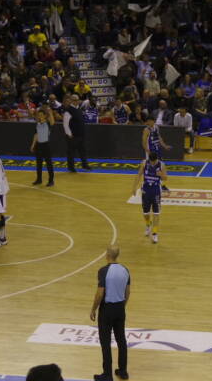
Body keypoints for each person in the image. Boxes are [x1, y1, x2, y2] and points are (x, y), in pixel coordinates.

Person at [90, 244, 130, 381]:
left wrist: (93, 309)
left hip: (107, 310)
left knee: (105, 342)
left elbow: (100, 293)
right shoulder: (125, 270)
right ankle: (123, 371)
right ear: (117, 255)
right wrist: (121, 306)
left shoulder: (103, 271)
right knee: (121, 340)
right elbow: (127, 292)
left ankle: (107, 374)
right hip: (120, 308)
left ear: (107, 255)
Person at [131, 151, 169, 244]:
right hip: (146, 191)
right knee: (146, 213)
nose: (152, 163)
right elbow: (139, 175)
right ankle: (148, 225)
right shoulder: (144, 163)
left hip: (156, 191)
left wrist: (161, 175)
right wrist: (134, 187)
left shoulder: (162, 165)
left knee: (156, 213)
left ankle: (155, 233)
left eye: (154, 162)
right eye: (151, 162)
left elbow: (165, 178)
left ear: (156, 159)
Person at [62, 95, 91, 173]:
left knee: (82, 150)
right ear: (71, 100)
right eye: (74, 100)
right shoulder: (68, 110)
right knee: (71, 152)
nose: (76, 101)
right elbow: (65, 124)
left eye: (77, 100)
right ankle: (71, 167)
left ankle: (84, 165)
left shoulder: (79, 109)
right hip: (73, 135)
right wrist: (69, 134)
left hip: (81, 134)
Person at [31, 105, 55, 187]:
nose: (40, 116)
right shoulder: (37, 124)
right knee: (39, 164)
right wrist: (33, 145)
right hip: (39, 146)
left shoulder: (48, 123)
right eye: (39, 115)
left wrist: (50, 112)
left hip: (46, 145)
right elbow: (36, 135)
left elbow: (52, 122)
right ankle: (39, 180)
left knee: (49, 164)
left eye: (41, 115)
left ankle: (51, 181)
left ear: (45, 116)